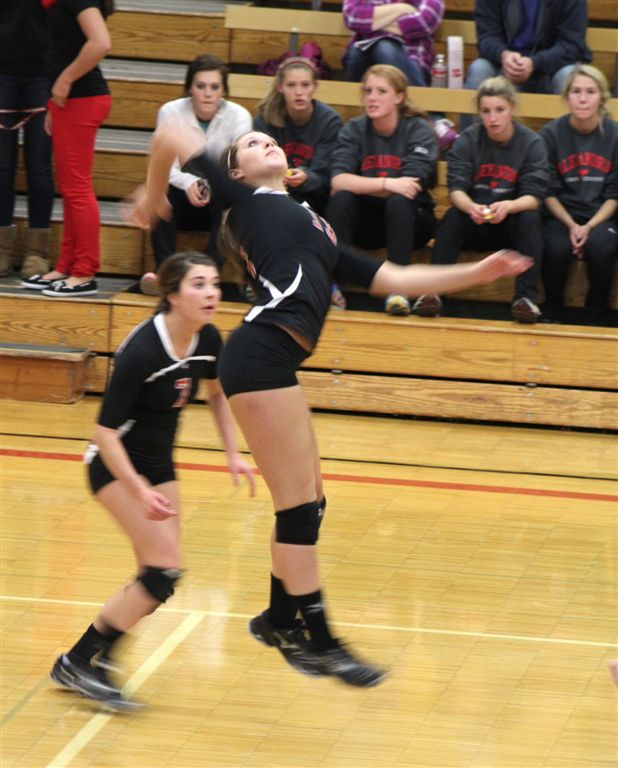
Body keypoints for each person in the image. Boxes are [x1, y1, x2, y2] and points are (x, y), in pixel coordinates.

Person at [128, 122, 531, 688]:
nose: (265, 141)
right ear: (235, 171)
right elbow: (171, 132)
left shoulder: (314, 223)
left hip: (274, 361)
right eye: (251, 143)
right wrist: (153, 200)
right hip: (259, 354)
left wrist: (478, 273)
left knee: (310, 504)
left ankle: (279, 619)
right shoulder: (243, 197)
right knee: (297, 509)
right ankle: (320, 642)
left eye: (269, 138)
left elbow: (395, 275)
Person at [49, 251, 255, 709]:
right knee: (161, 570)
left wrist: (233, 453)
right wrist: (139, 491)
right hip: (114, 464)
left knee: (162, 574)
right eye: (199, 284)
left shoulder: (208, 338)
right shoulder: (143, 350)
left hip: (159, 464)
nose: (211, 293)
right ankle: (82, 662)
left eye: (214, 283)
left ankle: (91, 658)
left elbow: (217, 395)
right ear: (172, 295)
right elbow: (103, 433)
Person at [414, 76, 548, 323]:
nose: (493, 118)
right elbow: (456, 190)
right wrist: (471, 207)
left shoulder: (532, 143)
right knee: (453, 217)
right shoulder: (468, 140)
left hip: (510, 223)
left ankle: (525, 299)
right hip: (475, 220)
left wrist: (509, 206)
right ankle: (433, 292)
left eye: (499, 110)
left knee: (530, 218)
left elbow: (534, 197)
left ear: (512, 109)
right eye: (486, 111)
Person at [326, 64, 438, 316]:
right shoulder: (354, 129)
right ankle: (332, 287)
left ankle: (398, 290)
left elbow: (409, 187)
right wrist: (387, 183)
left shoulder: (418, 129)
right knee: (341, 199)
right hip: (369, 225)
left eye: (381, 91)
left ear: (399, 97)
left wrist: (364, 185)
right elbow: (338, 181)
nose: (372, 98)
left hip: (413, 221)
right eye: (368, 91)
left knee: (399, 201)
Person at [21, 0, 114, 297]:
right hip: (68, 101)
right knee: (71, 188)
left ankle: (84, 272)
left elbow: (100, 43)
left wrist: (65, 80)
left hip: (82, 99)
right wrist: (54, 100)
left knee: (77, 188)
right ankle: (67, 266)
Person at [142, 55, 252, 296]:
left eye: (215, 87)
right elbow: (162, 165)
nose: (208, 94)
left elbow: (238, 169)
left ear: (224, 91)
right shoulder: (170, 111)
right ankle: (165, 275)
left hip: (219, 198)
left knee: (232, 203)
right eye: (201, 86)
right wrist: (189, 182)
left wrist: (209, 185)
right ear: (189, 88)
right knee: (158, 191)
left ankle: (210, 276)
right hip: (181, 196)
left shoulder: (239, 116)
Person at [253, 56, 345, 308]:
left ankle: (328, 284)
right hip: (275, 193)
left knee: (336, 202)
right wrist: (276, 177)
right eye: (292, 85)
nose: (299, 92)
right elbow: (254, 164)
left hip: (316, 195)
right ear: (281, 87)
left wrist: (307, 177)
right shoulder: (265, 120)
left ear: (315, 87)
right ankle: (264, 280)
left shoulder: (329, 121)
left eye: (305, 85)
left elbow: (328, 173)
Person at [539, 65, 618, 325]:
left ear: (601, 98)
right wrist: (572, 225)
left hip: (602, 216)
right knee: (555, 247)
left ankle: (597, 314)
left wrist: (590, 226)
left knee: (601, 247)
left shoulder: (615, 135)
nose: (582, 99)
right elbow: (548, 191)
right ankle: (553, 309)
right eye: (576, 91)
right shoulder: (550, 134)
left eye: (590, 92)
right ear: (566, 97)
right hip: (563, 215)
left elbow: (614, 194)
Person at [460, 0, 591, 131]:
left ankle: (571, 143)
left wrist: (535, 62)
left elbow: (572, 45)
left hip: (551, 70)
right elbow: (487, 38)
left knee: (569, 76)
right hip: (503, 69)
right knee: (480, 69)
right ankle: (468, 141)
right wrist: (504, 56)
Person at [0, 1, 54, 279]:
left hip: (44, 74)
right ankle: (2, 249)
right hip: (2, 73)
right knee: (2, 167)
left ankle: (37, 252)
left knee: (39, 166)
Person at [341, 0, 444, 87]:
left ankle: (417, 100)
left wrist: (373, 21)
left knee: (385, 48)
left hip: (410, 59)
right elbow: (352, 17)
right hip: (363, 56)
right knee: (358, 51)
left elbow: (424, 22)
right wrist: (400, 8)